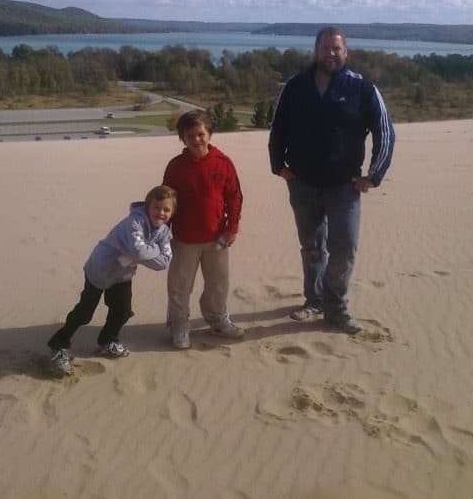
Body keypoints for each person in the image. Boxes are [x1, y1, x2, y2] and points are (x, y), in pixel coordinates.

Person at [268, 26, 395, 333]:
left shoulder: (362, 88)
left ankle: (335, 306)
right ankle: (314, 301)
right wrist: (278, 165)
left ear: (345, 52)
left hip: (344, 186)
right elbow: (278, 127)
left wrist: (374, 176)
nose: (330, 53)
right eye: (325, 48)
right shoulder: (296, 86)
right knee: (312, 247)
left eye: (336, 48)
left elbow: (385, 132)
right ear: (316, 51)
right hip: (302, 183)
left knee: (345, 248)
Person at [47, 185, 177, 375]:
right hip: (100, 269)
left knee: (122, 311)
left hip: (122, 275)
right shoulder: (134, 222)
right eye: (156, 207)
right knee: (84, 313)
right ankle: (58, 345)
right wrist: (151, 250)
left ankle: (107, 340)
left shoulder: (164, 232)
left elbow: (164, 262)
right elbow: (139, 251)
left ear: (172, 212)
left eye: (166, 209)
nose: (161, 213)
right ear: (148, 206)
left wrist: (139, 253)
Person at [163, 109, 244, 350]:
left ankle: (217, 320)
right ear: (182, 138)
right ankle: (179, 325)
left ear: (209, 133)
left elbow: (235, 198)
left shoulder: (223, 162)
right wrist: (161, 233)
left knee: (218, 284)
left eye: (200, 134)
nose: (196, 140)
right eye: (190, 136)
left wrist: (232, 228)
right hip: (184, 239)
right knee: (180, 286)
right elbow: (166, 202)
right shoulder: (176, 166)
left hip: (217, 238)